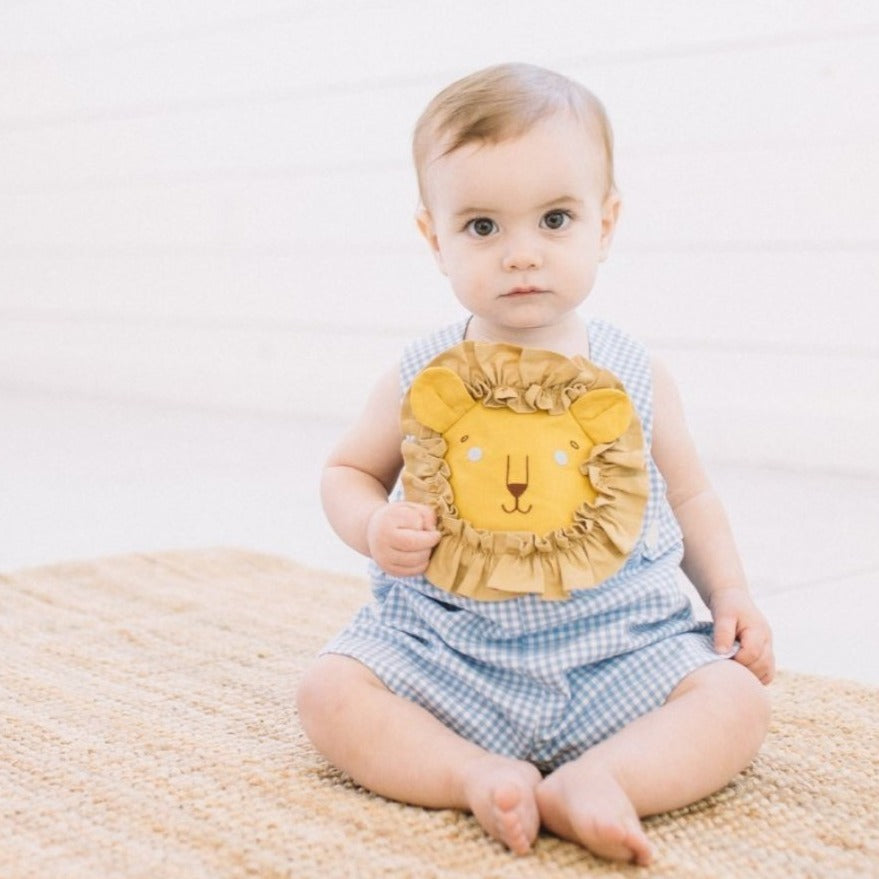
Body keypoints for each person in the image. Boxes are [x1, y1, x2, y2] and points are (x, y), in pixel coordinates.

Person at [297, 62, 774, 866]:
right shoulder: (419, 374)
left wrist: (730, 593)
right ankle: (471, 772)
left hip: (619, 654)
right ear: (434, 238)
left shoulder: (635, 372)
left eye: (554, 219)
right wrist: (372, 524)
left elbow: (690, 496)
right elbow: (346, 471)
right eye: (482, 226)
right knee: (327, 692)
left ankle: (603, 776)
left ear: (604, 223)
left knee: (734, 701)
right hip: (450, 657)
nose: (521, 255)